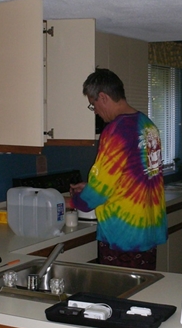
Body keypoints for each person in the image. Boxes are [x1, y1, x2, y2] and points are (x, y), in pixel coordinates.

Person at [68, 68, 167, 269]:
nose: (95, 110)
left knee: (117, 297)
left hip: (123, 234)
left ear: (103, 97)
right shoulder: (148, 125)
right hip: (147, 229)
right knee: (142, 295)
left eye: (93, 104)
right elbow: (137, 174)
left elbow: (98, 193)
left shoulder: (115, 131)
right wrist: (90, 185)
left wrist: (71, 200)